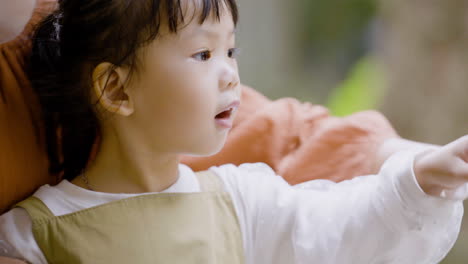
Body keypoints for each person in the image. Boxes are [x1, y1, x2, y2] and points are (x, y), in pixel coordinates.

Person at [0, 0, 467, 263]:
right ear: (116, 90)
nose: (229, 75)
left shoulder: (240, 202)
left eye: (231, 52)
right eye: (203, 56)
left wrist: (417, 179)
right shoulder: (32, 233)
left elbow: (344, 224)